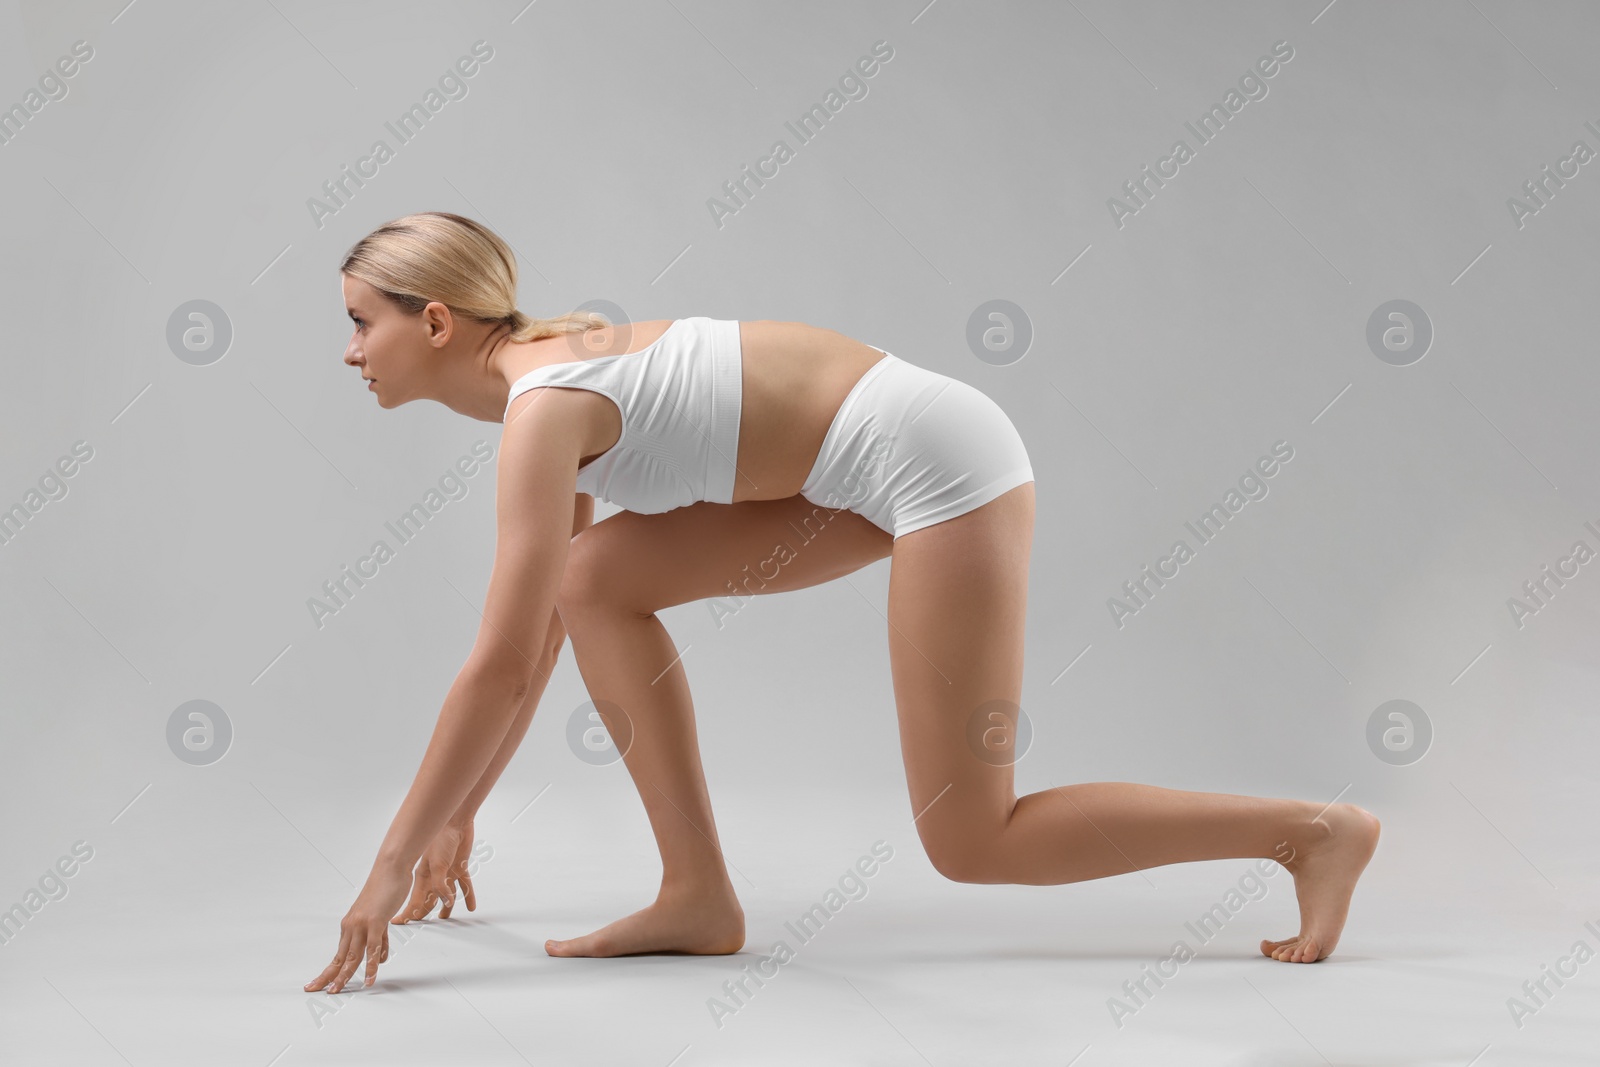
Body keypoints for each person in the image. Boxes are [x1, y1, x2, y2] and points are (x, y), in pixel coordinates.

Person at [304, 212, 1380, 995]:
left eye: (360, 322)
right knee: (594, 580)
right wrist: (457, 805)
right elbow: (536, 632)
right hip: (837, 478)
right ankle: (697, 896)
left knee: (972, 836)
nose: (350, 350)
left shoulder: (543, 409)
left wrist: (391, 858)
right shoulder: (546, 390)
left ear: (435, 321)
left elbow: (493, 665)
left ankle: (1307, 832)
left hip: (938, 465)